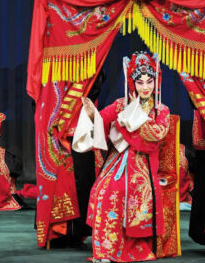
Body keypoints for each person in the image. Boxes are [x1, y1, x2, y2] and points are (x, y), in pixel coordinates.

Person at [82, 51, 171, 262]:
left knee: (128, 194)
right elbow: (103, 118)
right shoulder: (121, 103)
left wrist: (132, 118)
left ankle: (131, 248)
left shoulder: (161, 110)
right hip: (118, 161)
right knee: (103, 191)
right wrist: (93, 114)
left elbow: (155, 135)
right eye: (140, 82)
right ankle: (104, 251)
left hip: (143, 163)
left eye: (150, 81)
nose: (145, 87)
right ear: (132, 83)